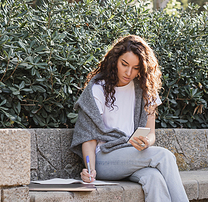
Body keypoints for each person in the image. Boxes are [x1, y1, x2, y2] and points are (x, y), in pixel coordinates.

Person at [70, 35, 189, 202]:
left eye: (135, 68)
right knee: (165, 156)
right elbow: (88, 136)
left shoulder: (145, 91)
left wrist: (146, 142)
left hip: (132, 156)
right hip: (105, 158)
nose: (128, 72)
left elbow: (151, 134)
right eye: (124, 64)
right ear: (114, 60)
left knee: (154, 177)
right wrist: (90, 170)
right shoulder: (97, 89)